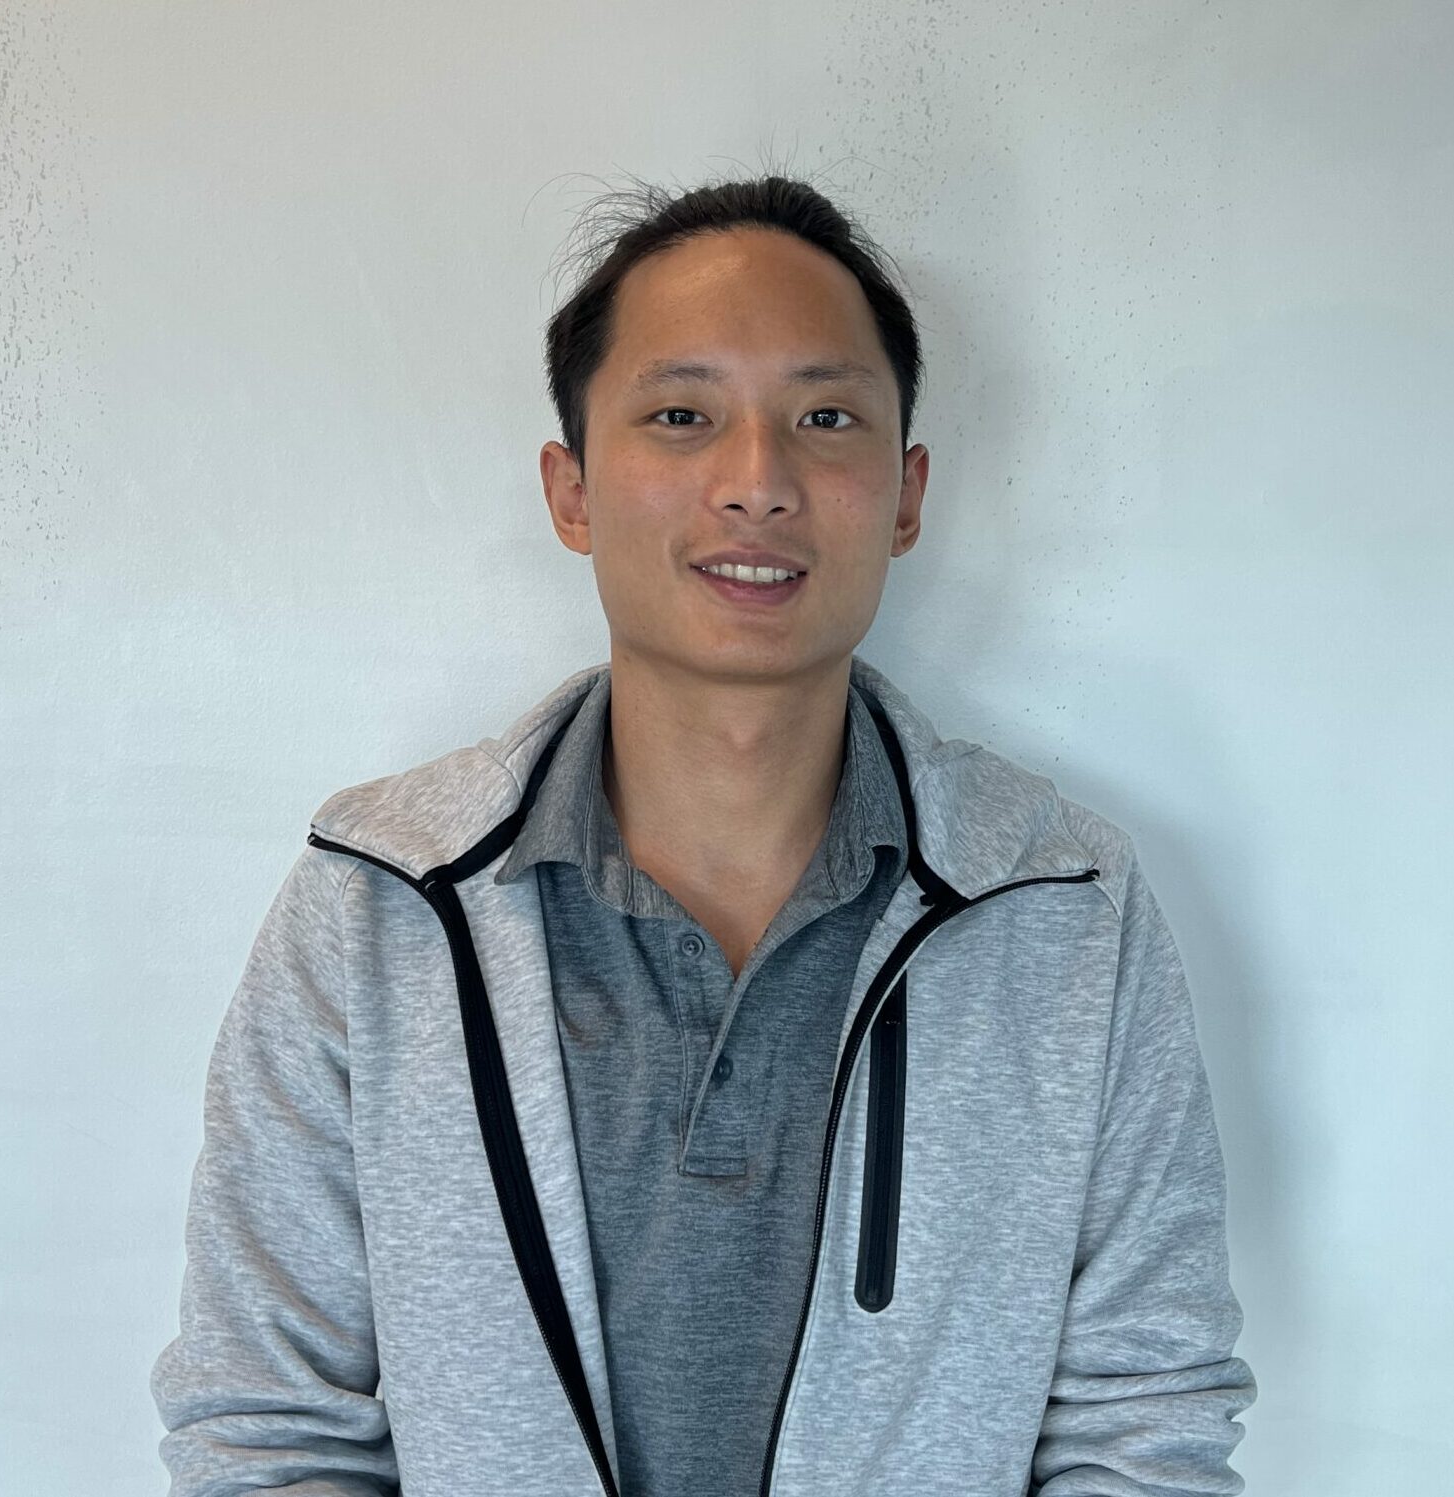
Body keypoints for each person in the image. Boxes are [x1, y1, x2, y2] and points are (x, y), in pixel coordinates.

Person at [151, 173, 1256, 1496]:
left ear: (905, 495)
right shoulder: (378, 901)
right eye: (681, 415)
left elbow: (1141, 1414)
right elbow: (268, 1417)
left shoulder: (1061, 900)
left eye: (823, 416)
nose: (756, 479)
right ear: (571, 490)